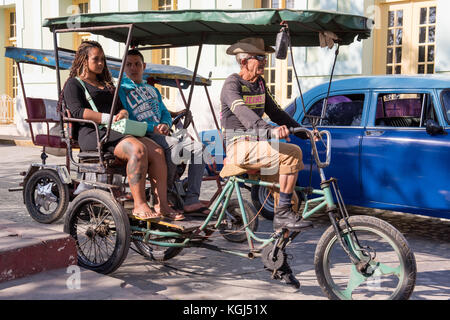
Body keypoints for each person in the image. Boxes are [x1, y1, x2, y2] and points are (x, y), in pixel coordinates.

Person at [220, 37, 314, 288]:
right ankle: (281, 214)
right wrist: (268, 130)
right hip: (239, 146)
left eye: (264, 57)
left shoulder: (260, 84)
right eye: (259, 58)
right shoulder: (232, 84)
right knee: (292, 153)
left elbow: (276, 112)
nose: (264, 62)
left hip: (260, 146)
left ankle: (276, 258)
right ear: (243, 61)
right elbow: (244, 114)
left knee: (292, 202)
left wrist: (302, 130)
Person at [63, 40, 179, 221]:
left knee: (156, 150)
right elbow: (77, 111)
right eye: (96, 59)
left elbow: (120, 108)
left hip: (116, 130)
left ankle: (161, 204)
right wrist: (107, 118)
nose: (101, 63)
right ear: (84, 60)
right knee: (138, 149)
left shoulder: (108, 85)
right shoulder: (74, 84)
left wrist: (122, 114)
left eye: (103, 59)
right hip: (93, 133)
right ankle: (140, 205)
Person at [119, 49, 210, 216]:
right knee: (174, 147)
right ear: (123, 67)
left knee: (200, 149)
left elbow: (164, 112)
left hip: (161, 133)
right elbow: (125, 116)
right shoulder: (121, 89)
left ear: (143, 66)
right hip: (141, 135)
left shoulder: (152, 90)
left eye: (137, 64)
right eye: (129, 64)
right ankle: (164, 196)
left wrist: (166, 124)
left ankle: (191, 199)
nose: (133, 68)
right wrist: (151, 127)